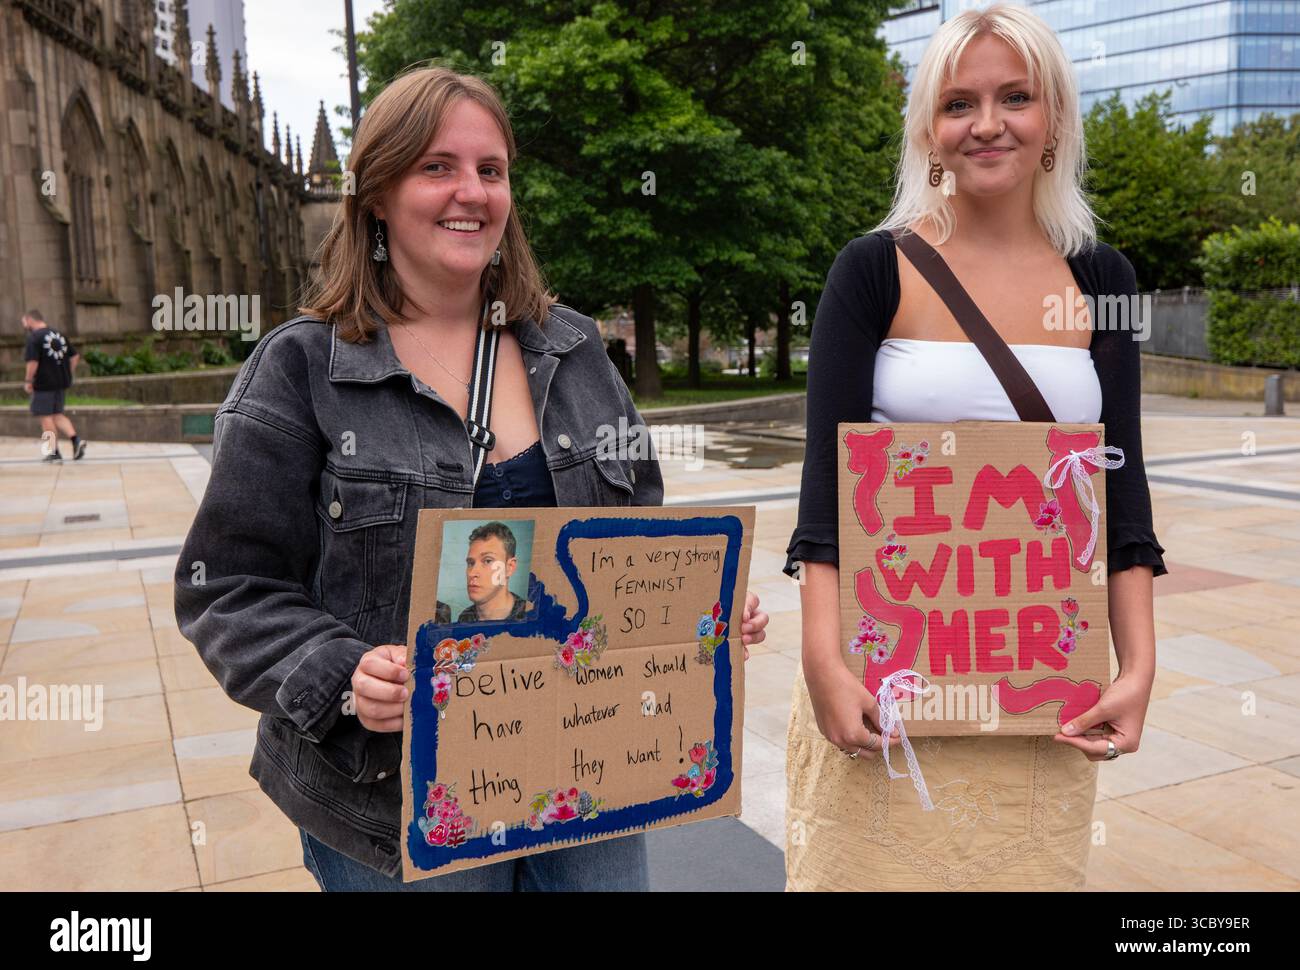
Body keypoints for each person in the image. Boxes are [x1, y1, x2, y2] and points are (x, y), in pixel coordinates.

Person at [173, 65, 768, 892]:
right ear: (376, 192)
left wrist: (692, 602)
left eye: (491, 170)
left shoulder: (573, 348)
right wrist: (343, 675)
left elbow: (636, 526)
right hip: (392, 801)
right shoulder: (302, 368)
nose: (472, 192)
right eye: (437, 167)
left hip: (587, 776)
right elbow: (227, 588)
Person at [783, 3, 1164, 891]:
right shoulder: (873, 268)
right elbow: (824, 497)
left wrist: (1139, 664)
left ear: (1054, 119)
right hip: (887, 685)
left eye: (1015, 97)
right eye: (959, 103)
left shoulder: (1101, 279)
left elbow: (1124, 493)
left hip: (1040, 692)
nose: (987, 124)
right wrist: (822, 660)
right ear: (929, 129)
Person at [22, 309, 86, 462]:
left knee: (46, 417)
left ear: (30, 320)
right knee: (57, 415)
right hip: (60, 382)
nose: (24, 326)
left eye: (24, 322)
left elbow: (32, 363)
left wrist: (28, 381)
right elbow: (75, 356)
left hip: (44, 383)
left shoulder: (35, 338)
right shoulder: (59, 334)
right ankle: (76, 441)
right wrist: (66, 372)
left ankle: (53, 452)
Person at [456, 521, 529, 622]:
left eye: (487, 561)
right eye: (471, 563)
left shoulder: (530, 616)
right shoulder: (465, 618)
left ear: (509, 567)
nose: (472, 573)